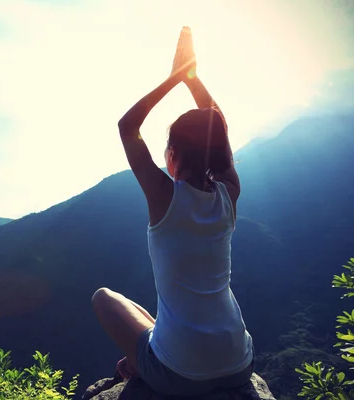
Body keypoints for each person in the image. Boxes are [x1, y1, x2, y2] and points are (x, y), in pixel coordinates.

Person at [91, 26, 254, 397]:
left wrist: (175, 78)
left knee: (103, 296)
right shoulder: (230, 194)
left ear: (174, 155)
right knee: (158, 321)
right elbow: (218, 124)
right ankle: (145, 358)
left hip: (182, 375)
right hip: (239, 365)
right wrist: (193, 79)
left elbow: (127, 126)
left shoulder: (164, 196)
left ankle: (140, 365)